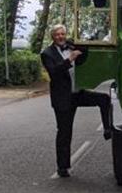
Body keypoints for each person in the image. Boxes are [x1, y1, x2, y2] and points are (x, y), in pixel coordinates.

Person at [41, 24, 111, 177]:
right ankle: (62, 167)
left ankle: (107, 129)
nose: (61, 37)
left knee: (104, 99)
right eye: (57, 34)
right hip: (63, 98)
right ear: (52, 36)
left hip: (77, 93)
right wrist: (69, 59)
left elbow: (86, 51)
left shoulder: (70, 45)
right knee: (65, 132)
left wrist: (79, 46)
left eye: (63, 34)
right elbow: (54, 73)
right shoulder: (47, 53)